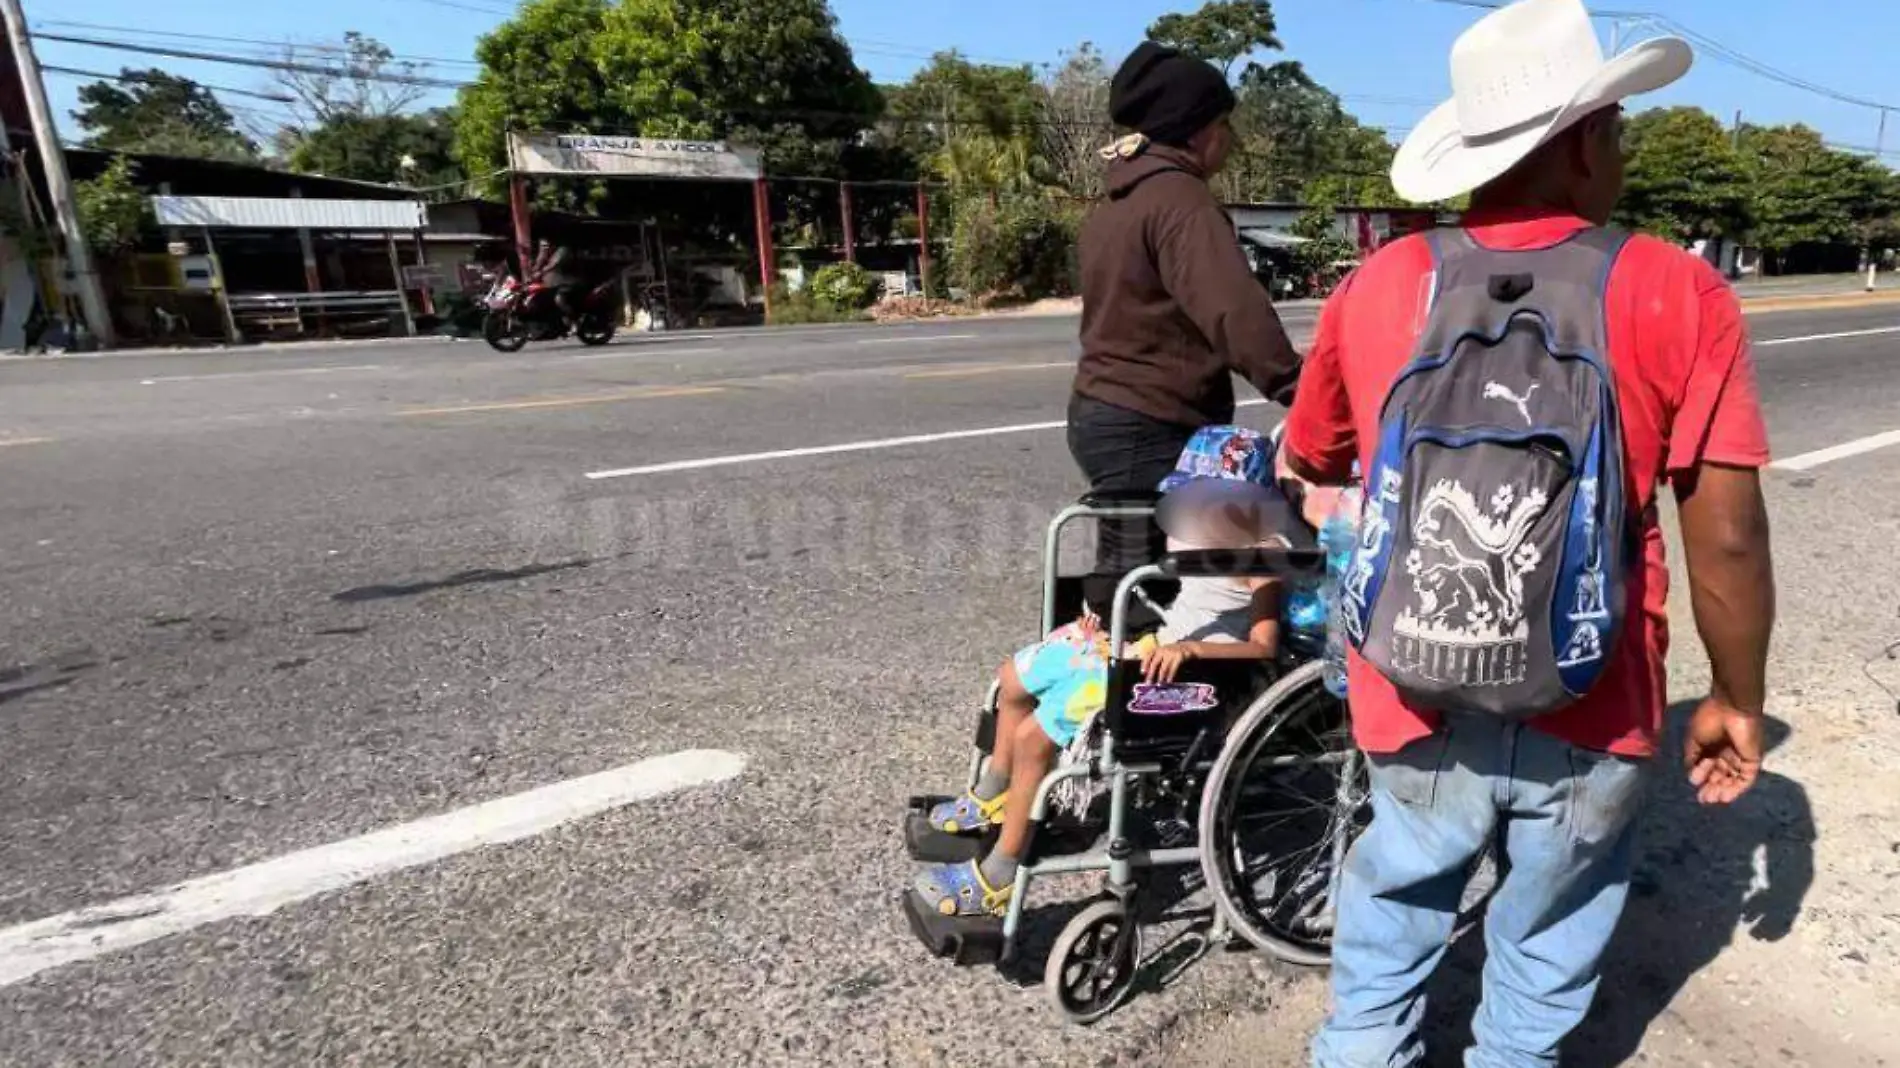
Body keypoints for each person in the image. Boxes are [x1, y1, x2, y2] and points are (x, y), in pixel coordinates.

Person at [1280, 2, 1777, 1066]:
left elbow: (1313, 456)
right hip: (1591, 690)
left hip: (1407, 682)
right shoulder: (1676, 285)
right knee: (1543, 955)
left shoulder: (1378, 281)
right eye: (1619, 130)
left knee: (1389, 928)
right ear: (1588, 139)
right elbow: (1725, 534)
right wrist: (1735, 697)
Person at [910, 426, 1292, 917]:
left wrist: (1193, 651)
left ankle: (1001, 873)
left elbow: (1265, 646)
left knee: (1034, 736)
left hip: (1194, 680)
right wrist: (1111, 623)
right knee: (1014, 677)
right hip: (1153, 648)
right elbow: (1172, 595)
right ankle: (994, 795)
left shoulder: (1265, 552)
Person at [1070, 42, 1302, 581]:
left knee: (1141, 564)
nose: (1231, 140)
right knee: (1153, 573)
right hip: (1149, 419)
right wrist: (1298, 386)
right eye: (1226, 124)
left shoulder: (1119, 201)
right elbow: (1232, 312)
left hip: (1106, 411)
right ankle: (1107, 660)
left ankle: (1117, 650)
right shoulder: (1181, 201)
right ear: (1199, 130)